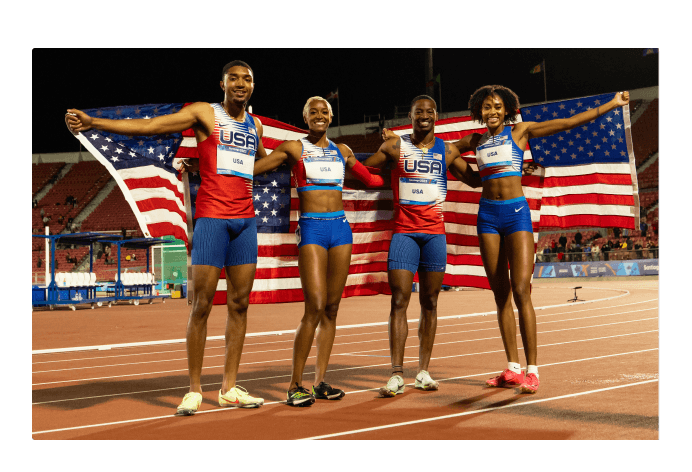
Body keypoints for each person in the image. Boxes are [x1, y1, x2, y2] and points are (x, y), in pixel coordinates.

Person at [66, 60, 267, 415]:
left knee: (239, 304)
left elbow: (257, 163)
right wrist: (95, 122)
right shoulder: (206, 113)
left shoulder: (256, 125)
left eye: (247, 79)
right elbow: (151, 125)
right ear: (222, 83)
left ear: (253, 86)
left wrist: (293, 159)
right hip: (213, 220)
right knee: (201, 305)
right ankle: (193, 390)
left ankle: (230, 387)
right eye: (234, 78)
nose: (240, 83)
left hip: (245, 222)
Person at [443, 85, 629, 394]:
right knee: (500, 293)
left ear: (507, 110)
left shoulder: (520, 132)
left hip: (516, 214)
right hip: (487, 216)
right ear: (479, 111)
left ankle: (533, 370)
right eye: (486, 107)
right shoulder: (474, 140)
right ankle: (512, 368)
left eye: (497, 106)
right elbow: (447, 156)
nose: (492, 111)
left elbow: (568, 123)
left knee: (520, 290)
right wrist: (424, 152)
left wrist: (610, 104)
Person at [253, 97, 384, 406]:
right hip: (311, 228)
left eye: (324, 111)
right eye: (313, 112)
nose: (319, 115)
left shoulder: (343, 151)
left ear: (331, 116)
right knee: (314, 305)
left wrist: (400, 164)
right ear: (305, 117)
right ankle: (294, 384)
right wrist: (257, 142)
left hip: (340, 229)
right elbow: (258, 169)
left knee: (332, 308)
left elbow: (371, 179)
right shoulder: (294, 148)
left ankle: (320, 381)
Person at [366, 95, 481, 397]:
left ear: (436, 116)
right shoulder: (394, 146)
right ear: (411, 116)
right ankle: (395, 374)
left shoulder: (447, 149)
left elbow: (473, 180)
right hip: (404, 233)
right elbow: (366, 172)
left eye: (430, 112)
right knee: (399, 300)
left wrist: (511, 171)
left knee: (430, 302)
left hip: (434, 235)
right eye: (419, 112)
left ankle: (423, 372)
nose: (425, 116)